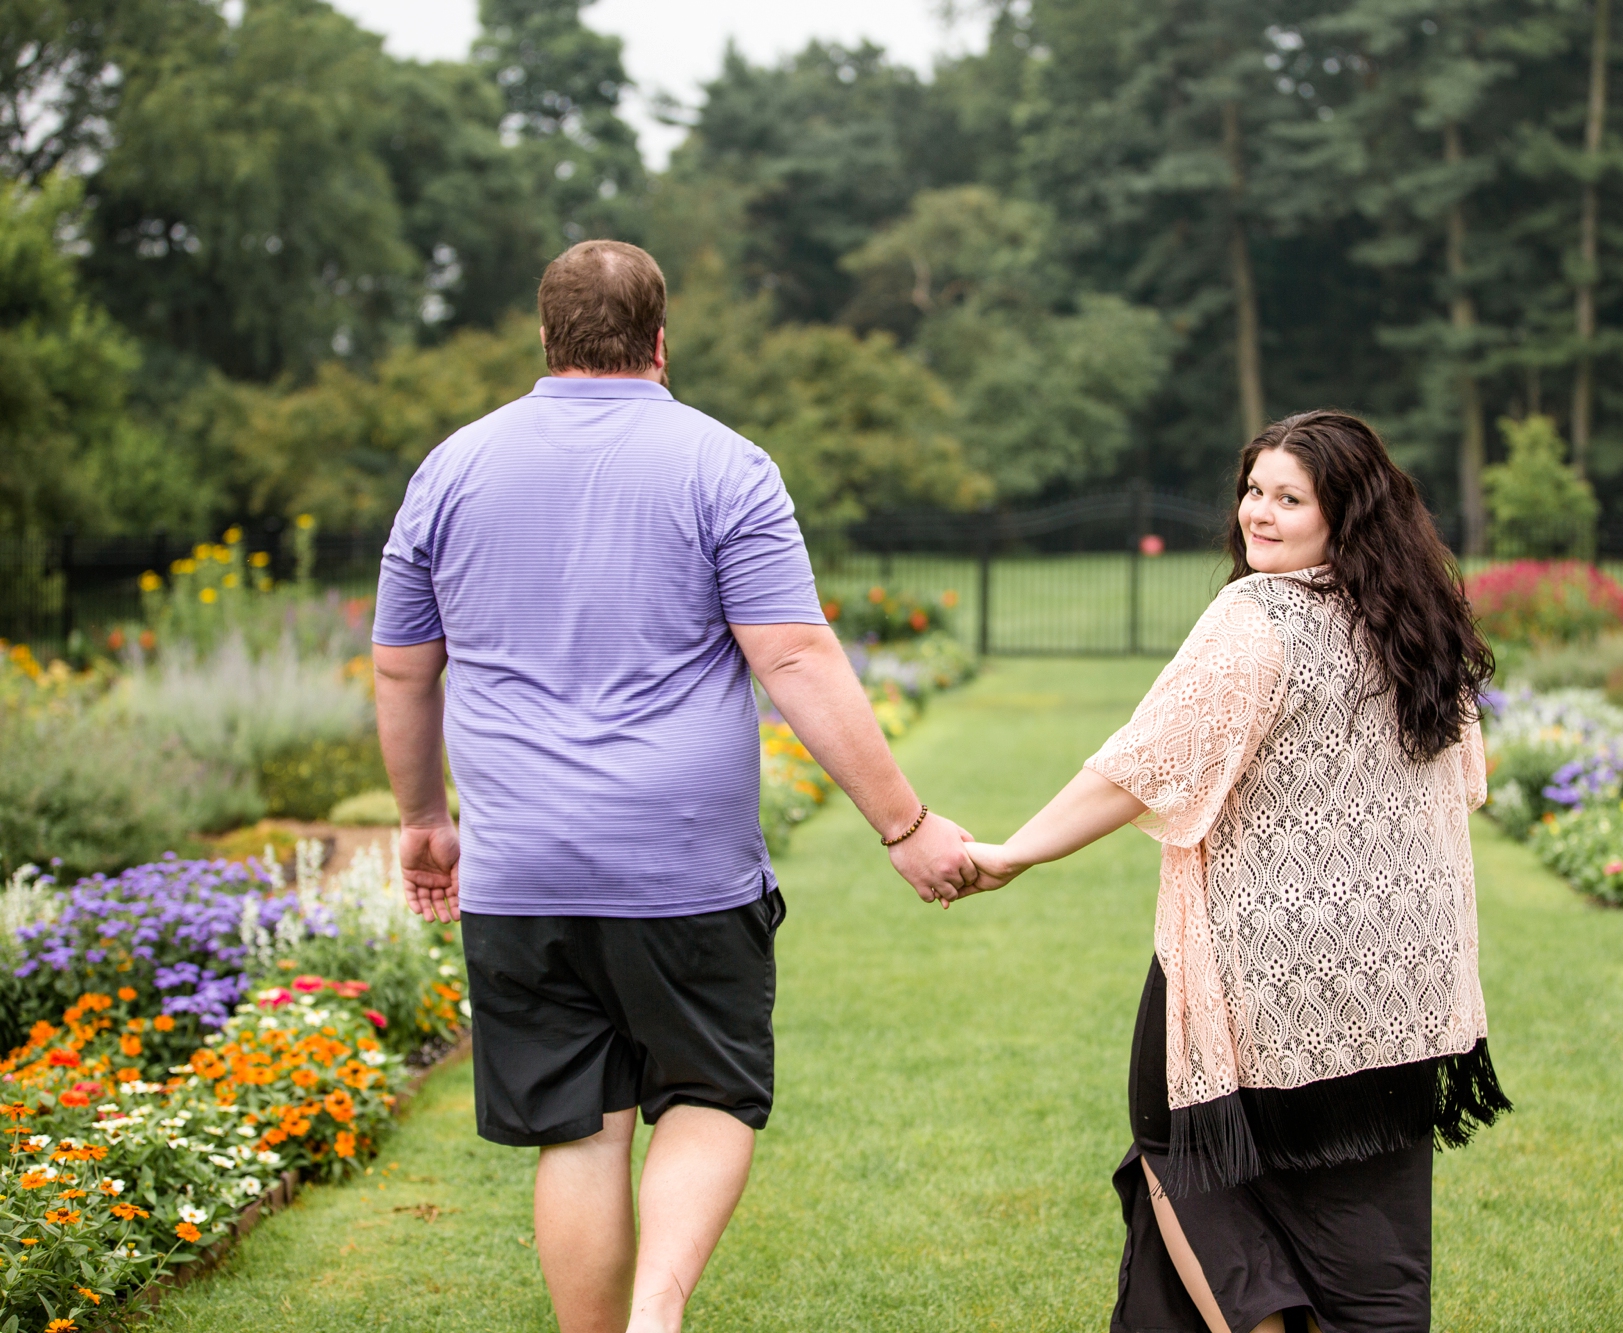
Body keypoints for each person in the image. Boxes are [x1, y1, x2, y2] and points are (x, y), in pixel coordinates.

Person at [370, 239, 977, 1333]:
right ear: (661, 339)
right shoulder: (724, 464)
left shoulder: (449, 469)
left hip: (521, 871)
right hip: (683, 869)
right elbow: (793, 656)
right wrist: (906, 825)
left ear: (546, 338)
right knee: (707, 1093)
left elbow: (403, 664)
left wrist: (423, 822)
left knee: (577, 1126)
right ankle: (658, 1311)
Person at [958, 410, 1511, 1333]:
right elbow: (1466, 783)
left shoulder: (1255, 620)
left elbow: (1140, 766)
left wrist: (1014, 852)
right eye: (1254, 490)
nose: (1259, 512)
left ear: (1349, 513)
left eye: (1289, 498)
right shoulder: (1422, 620)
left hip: (1264, 977)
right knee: (1374, 1224)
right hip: (1404, 983)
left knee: (1178, 1143)